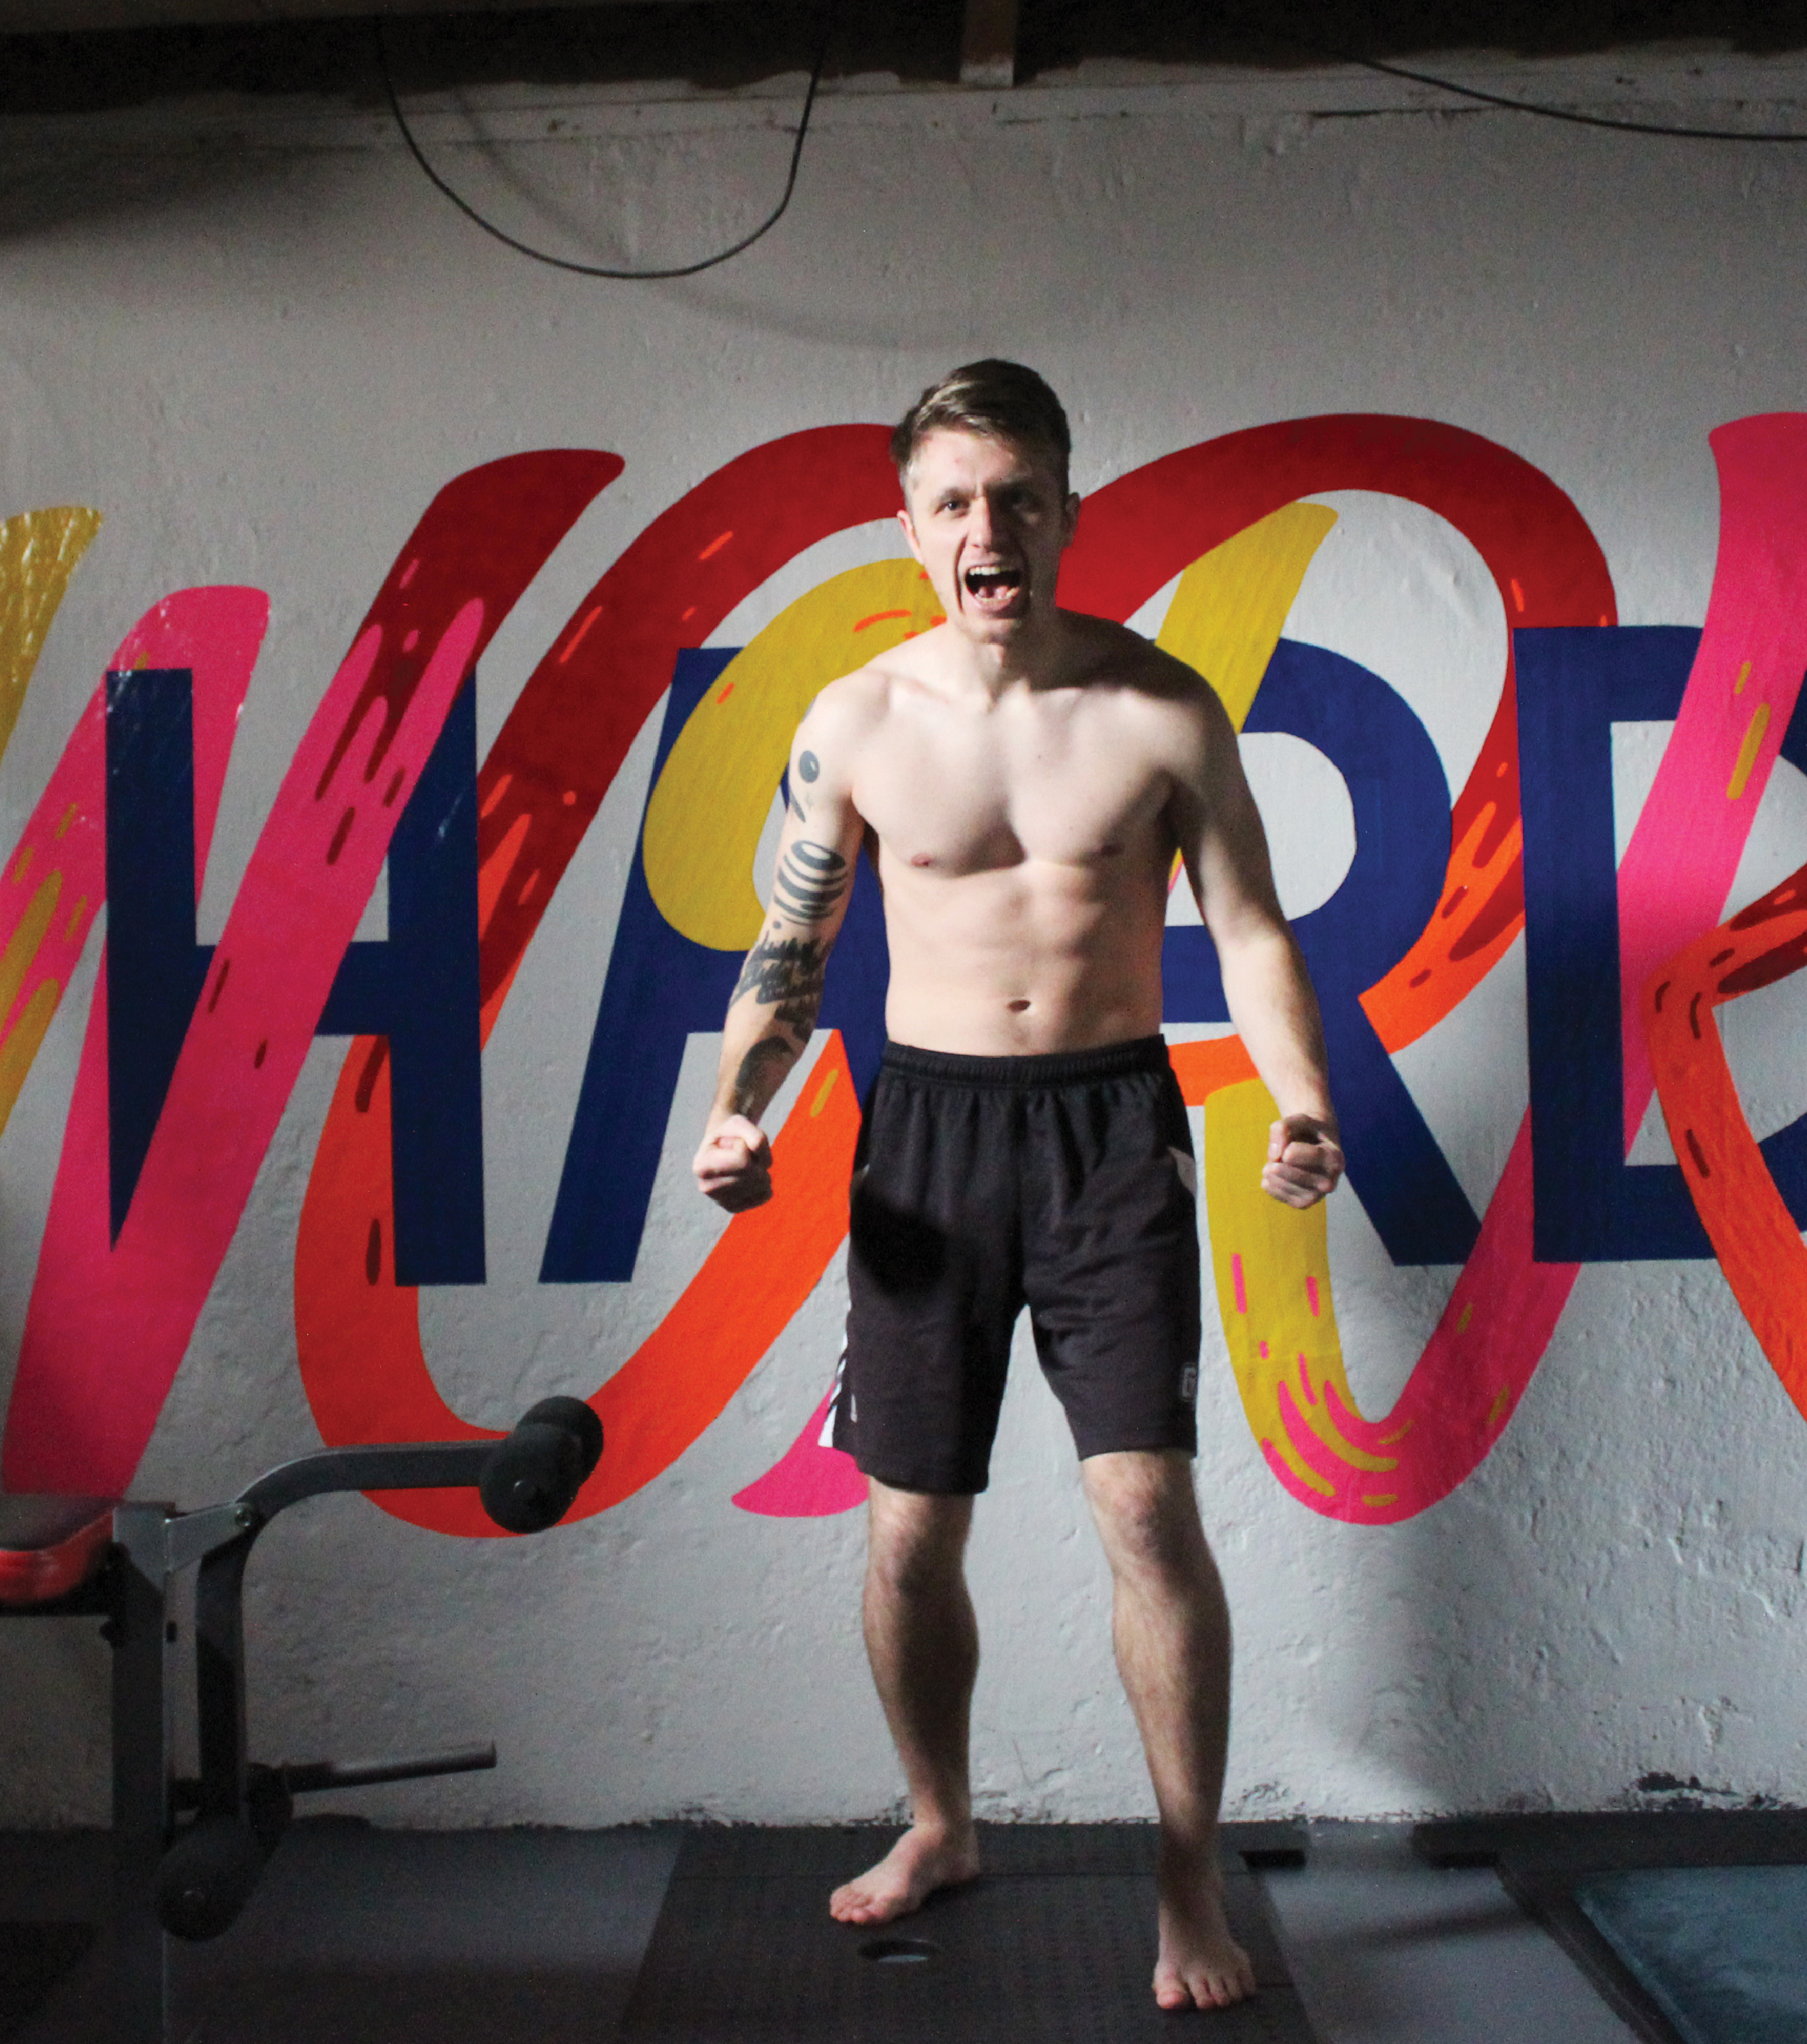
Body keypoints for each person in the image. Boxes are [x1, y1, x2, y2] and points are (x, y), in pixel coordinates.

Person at [692, 360, 1342, 2013]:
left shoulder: (1161, 708)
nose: (990, 528)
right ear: (913, 527)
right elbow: (790, 947)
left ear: (1066, 512)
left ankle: (1188, 1884)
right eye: (957, 501)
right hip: (927, 1136)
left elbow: (1252, 929)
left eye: (1020, 497)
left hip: (1111, 1132)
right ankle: (941, 1823)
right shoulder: (858, 723)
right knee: (911, 1525)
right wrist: (737, 1112)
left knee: (1146, 1507)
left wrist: (1304, 1098)